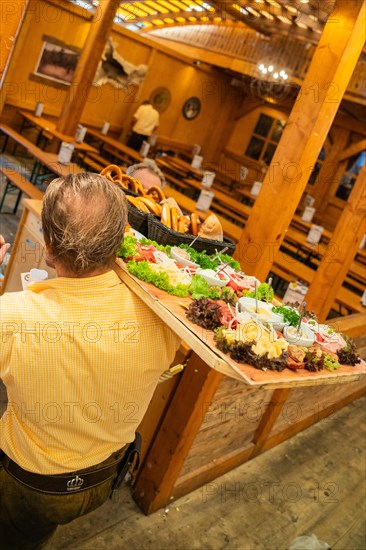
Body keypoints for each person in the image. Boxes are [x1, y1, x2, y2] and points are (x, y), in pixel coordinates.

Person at [0, 173, 179, 549]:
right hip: (104, 479)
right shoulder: (164, 316)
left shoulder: (12, 317)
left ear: (48, 246)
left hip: (33, 487)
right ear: (121, 241)